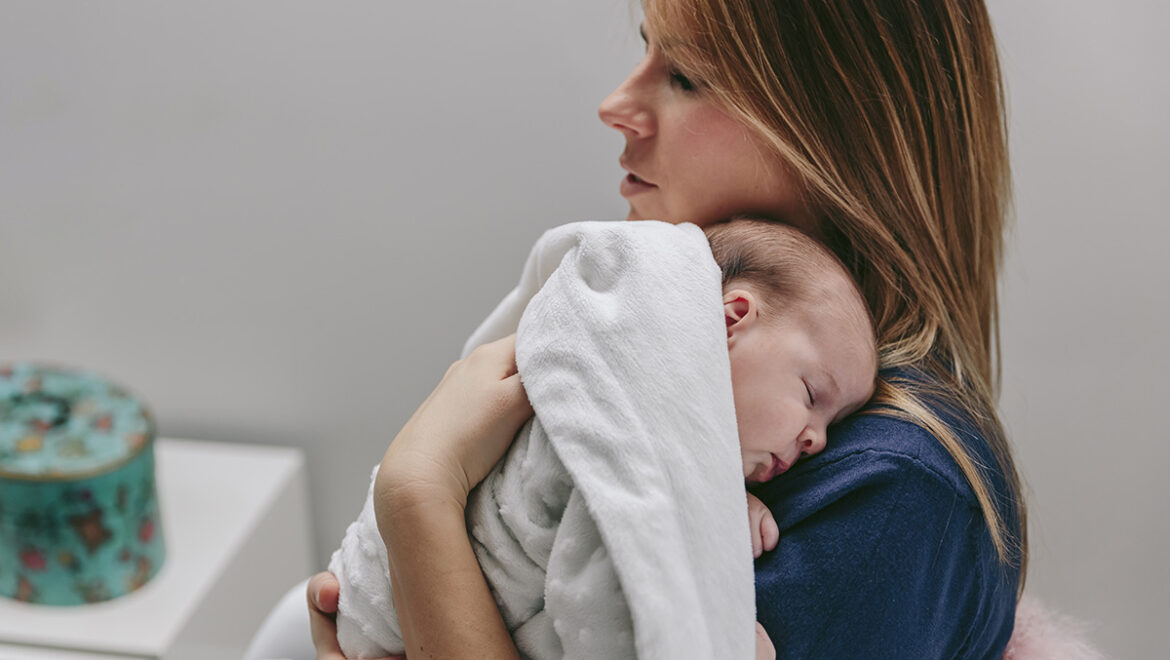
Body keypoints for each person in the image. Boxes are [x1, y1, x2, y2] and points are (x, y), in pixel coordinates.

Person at [306, 0, 1026, 657]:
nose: (616, 106)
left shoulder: (892, 494)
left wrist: (418, 495)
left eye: (684, 77)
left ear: (836, 133)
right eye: (650, 51)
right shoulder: (683, 358)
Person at [327, 219, 877, 658]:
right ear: (733, 319)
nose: (818, 442)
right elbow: (601, 606)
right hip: (386, 612)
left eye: (834, 423)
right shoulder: (606, 424)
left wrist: (718, 504)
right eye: (811, 395)